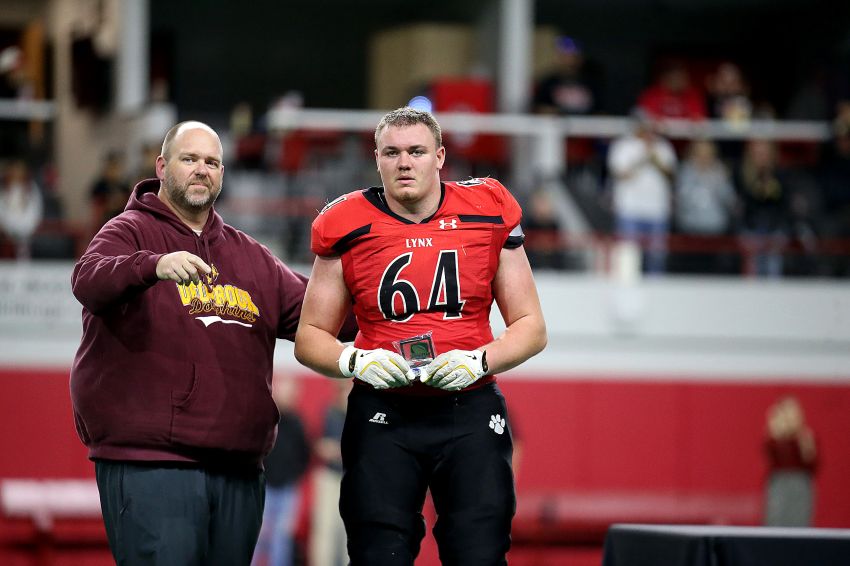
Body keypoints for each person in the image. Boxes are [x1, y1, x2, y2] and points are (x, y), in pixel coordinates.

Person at [69, 121, 351, 565]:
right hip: (153, 464)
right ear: (162, 166)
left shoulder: (250, 257)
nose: (201, 169)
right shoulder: (130, 230)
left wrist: (394, 306)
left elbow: (323, 317)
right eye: (189, 159)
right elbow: (87, 279)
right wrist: (153, 265)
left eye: (212, 162)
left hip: (238, 470)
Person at [293, 107, 547, 566]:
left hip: (467, 407)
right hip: (384, 411)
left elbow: (531, 326)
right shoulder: (345, 222)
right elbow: (310, 336)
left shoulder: (487, 208)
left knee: (479, 553)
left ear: (440, 157)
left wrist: (481, 361)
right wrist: (354, 361)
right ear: (377, 159)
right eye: (392, 152)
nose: (404, 162)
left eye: (416, 151)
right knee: (377, 553)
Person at [607, 111, 677, 274]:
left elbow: (672, 175)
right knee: (627, 259)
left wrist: (655, 159)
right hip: (629, 210)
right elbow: (620, 174)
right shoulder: (623, 146)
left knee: (656, 257)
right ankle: (626, 294)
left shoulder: (663, 147)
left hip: (657, 211)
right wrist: (642, 158)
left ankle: (656, 291)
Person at [253, 378, 311, 566]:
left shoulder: (297, 423)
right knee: (256, 534)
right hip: (264, 486)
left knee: (282, 538)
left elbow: (305, 454)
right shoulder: (265, 420)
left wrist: (293, 476)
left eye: (292, 393)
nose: (289, 397)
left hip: (287, 488)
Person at [308, 379, 351, 566]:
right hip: (329, 477)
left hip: (351, 480)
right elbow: (319, 445)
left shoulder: (359, 418)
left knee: (349, 531)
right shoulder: (329, 414)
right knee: (324, 529)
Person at [763, 396, 818, 527]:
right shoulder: (775, 439)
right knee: (777, 517)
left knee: (799, 517)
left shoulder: (805, 438)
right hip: (780, 483)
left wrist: (806, 446)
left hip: (800, 484)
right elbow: (774, 457)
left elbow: (812, 465)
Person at [0, 159, 44, 259]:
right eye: (13, 172)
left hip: (26, 227)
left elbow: (36, 208)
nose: (16, 174)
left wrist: (30, 225)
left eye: (19, 171)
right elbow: (2, 209)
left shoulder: (31, 189)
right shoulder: (4, 190)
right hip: (8, 227)